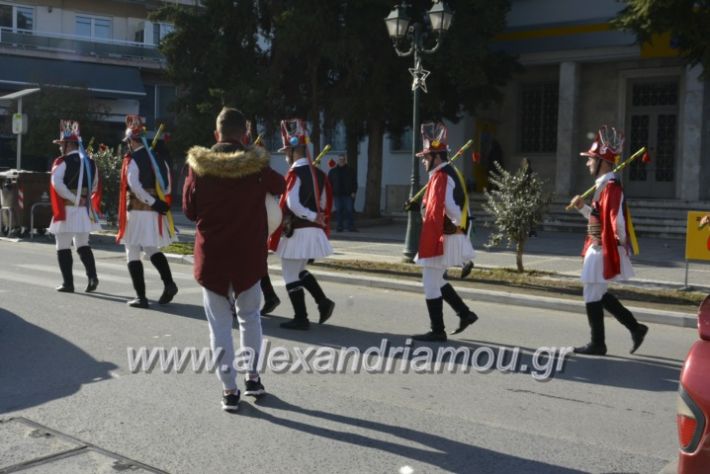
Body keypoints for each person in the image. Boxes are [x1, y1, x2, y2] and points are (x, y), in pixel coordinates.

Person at [184, 107, 285, 412]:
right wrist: (257, 153)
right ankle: (253, 377)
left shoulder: (198, 166)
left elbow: (189, 209)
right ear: (244, 135)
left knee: (219, 328)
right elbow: (280, 187)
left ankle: (230, 390)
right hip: (247, 256)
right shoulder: (256, 166)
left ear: (216, 135)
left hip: (212, 256)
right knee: (250, 318)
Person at [569, 126, 648, 356]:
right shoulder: (603, 186)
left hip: (601, 248)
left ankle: (598, 343)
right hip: (598, 245)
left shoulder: (610, 187)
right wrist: (583, 207)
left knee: (592, 294)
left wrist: (615, 244)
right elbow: (598, 219)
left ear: (602, 161)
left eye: (591, 159)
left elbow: (617, 222)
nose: (587, 163)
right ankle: (635, 328)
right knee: (597, 293)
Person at [413, 122, 479, 342]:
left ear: (436, 158)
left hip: (445, 236)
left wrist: (452, 223)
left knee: (430, 281)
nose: (423, 161)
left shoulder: (442, 176)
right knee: (437, 279)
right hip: (450, 234)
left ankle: (437, 330)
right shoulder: (446, 173)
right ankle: (465, 314)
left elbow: (451, 206)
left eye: (425, 157)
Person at [268, 118, 335, 330]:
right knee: (299, 271)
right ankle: (323, 302)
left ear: (293, 151)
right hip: (313, 231)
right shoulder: (320, 174)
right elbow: (325, 202)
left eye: (286, 151)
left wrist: (309, 215)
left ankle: (301, 317)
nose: (285, 155)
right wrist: (317, 216)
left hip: (298, 230)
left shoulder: (295, 173)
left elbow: (292, 203)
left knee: (289, 273)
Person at [116, 115, 178, 308]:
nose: (127, 146)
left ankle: (141, 297)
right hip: (152, 211)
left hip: (137, 210)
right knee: (151, 248)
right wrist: (158, 202)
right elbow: (166, 185)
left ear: (132, 142)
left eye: (128, 143)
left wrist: (151, 200)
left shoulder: (133, 160)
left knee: (132, 251)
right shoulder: (158, 159)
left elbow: (134, 186)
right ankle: (169, 283)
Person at [48, 120, 101, 293]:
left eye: (62, 144)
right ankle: (92, 277)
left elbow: (57, 184)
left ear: (70, 144)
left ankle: (68, 283)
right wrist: (83, 198)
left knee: (62, 245)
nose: (60, 147)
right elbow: (95, 185)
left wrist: (74, 198)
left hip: (69, 208)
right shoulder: (91, 162)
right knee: (83, 244)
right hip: (84, 210)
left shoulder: (62, 162)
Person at [328, 153, 357, 232]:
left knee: (350, 211)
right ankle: (339, 227)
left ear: (345, 160)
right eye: (340, 159)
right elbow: (329, 183)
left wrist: (354, 192)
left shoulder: (350, 170)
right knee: (339, 211)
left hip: (348, 194)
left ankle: (350, 227)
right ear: (338, 160)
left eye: (343, 159)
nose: (342, 161)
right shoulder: (333, 171)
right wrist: (330, 193)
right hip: (337, 195)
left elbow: (354, 182)